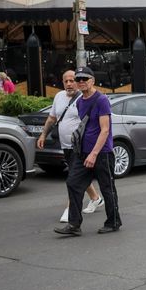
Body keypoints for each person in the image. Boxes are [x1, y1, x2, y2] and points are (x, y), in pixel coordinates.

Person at [54, 66, 121, 236]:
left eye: (85, 78)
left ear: (93, 80)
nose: (81, 82)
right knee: (73, 183)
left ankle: (113, 222)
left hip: (102, 154)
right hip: (82, 153)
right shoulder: (80, 101)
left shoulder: (101, 100)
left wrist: (94, 153)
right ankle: (74, 225)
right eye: (78, 79)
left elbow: (105, 130)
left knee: (107, 189)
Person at [37, 69, 104, 223]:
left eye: (72, 80)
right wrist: (43, 135)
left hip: (80, 147)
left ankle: (70, 210)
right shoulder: (59, 97)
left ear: (78, 81)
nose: (69, 84)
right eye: (66, 81)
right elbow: (52, 118)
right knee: (77, 176)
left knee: (73, 179)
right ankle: (96, 198)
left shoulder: (85, 98)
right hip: (66, 146)